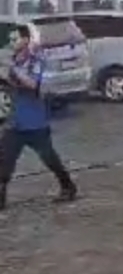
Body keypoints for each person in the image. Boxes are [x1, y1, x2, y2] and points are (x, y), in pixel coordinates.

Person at [0, 26, 78, 211]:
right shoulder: (11, 60)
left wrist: (12, 70)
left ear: (26, 40)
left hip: (35, 122)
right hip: (15, 122)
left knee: (49, 157)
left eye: (15, 39)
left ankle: (67, 186)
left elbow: (34, 84)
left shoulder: (37, 61)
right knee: (4, 159)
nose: (12, 44)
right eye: (10, 40)